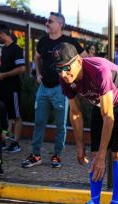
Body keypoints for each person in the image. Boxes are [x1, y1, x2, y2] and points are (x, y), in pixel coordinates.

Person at [53, 42, 118, 204]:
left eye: (67, 68)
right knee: (93, 155)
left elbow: (109, 117)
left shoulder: (99, 70)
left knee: (116, 154)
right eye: (58, 69)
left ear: (78, 61)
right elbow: (75, 113)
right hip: (101, 103)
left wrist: (102, 156)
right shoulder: (64, 77)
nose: (63, 74)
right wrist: (79, 145)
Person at [21, 12, 86, 169]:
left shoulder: (69, 41)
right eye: (46, 21)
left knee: (60, 125)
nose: (46, 23)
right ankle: (36, 155)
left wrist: (74, 78)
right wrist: (37, 73)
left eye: (50, 21)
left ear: (60, 24)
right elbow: (37, 57)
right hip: (43, 88)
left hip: (61, 89)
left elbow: (85, 58)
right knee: (39, 122)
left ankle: (57, 155)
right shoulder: (43, 41)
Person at [0, 24, 26, 153]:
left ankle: (16, 143)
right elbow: (3, 69)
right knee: (5, 115)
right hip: (3, 88)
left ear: (3, 34)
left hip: (13, 89)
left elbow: (22, 68)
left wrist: (3, 75)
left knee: (16, 116)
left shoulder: (16, 49)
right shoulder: (4, 49)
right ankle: (3, 140)